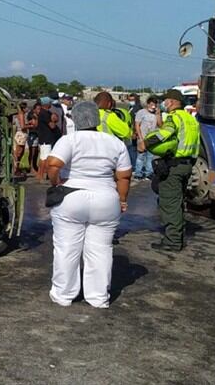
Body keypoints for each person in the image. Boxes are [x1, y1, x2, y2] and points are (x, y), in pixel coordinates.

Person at [44, 101, 132, 308]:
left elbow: (54, 164)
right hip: (105, 198)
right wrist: (122, 200)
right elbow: (124, 176)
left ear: (74, 118)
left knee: (67, 248)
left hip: (72, 196)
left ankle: (64, 294)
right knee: (101, 250)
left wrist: (57, 183)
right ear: (97, 119)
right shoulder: (114, 143)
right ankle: (98, 297)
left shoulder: (69, 140)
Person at [144, 89, 200, 252]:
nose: (164, 103)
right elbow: (196, 145)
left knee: (169, 204)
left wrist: (145, 144)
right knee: (178, 203)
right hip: (187, 165)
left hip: (174, 166)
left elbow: (163, 134)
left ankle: (172, 241)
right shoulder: (191, 119)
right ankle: (178, 237)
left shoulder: (174, 118)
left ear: (172, 102)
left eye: (166, 100)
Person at [133, 96, 162, 180]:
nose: (153, 106)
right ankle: (138, 173)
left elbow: (160, 125)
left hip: (152, 138)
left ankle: (149, 173)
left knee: (150, 156)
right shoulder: (141, 112)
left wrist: (158, 115)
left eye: (155, 105)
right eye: (151, 104)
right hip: (142, 137)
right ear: (148, 104)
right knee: (141, 156)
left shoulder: (156, 113)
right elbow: (137, 125)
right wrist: (140, 137)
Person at [35, 97, 59, 182]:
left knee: (42, 157)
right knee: (45, 158)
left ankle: (39, 175)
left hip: (44, 137)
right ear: (47, 104)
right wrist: (55, 121)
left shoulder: (44, 113)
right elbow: (52, 126)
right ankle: (41, 176)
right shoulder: (44, 114)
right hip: (46, 138)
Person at [12, 102, 28, 175]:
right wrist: (31, 126)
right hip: (21, 134)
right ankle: (16, 169)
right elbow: (22, 126)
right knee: (19, 153)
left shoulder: (20, 115)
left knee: (20, 152)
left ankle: (17, 168)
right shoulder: (21, 115)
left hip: (20, 134)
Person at [26, 104, 41, 174]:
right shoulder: (31, 115)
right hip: (33, 134)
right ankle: (31, 167)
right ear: (34, 109)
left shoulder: (38, 115)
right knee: (32, 151)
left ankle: (34, 165)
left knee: (36, 152)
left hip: (37, 134)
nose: (39, 110)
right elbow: (35, 124)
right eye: (38, 109)